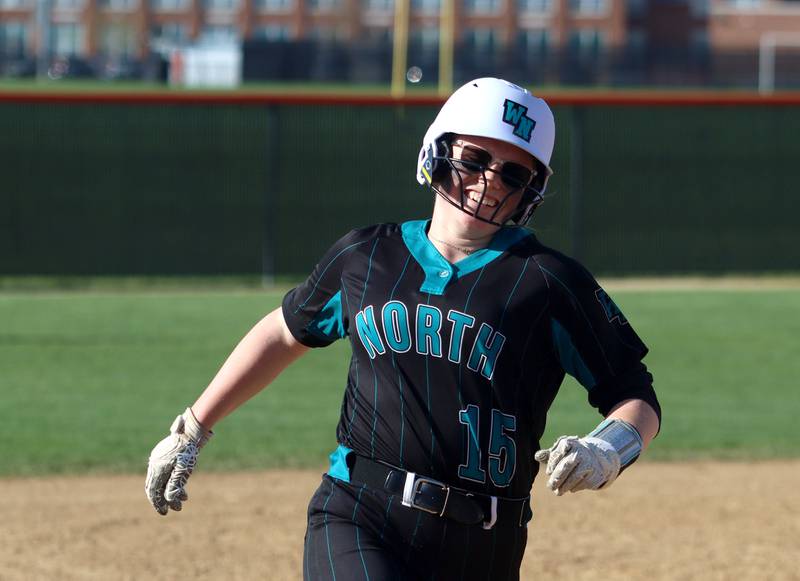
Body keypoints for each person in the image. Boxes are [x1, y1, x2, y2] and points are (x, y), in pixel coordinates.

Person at [146, 78, 661, 581]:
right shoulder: (366, 256)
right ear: (436, 152)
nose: (489, 182)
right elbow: (285, 331)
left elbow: (635, 395)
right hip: (359, 511)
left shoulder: (550, 282)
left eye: (512, 174)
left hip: (486, 542)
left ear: (531, 192)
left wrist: (606, 450)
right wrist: (192, 427)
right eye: (475, 160)